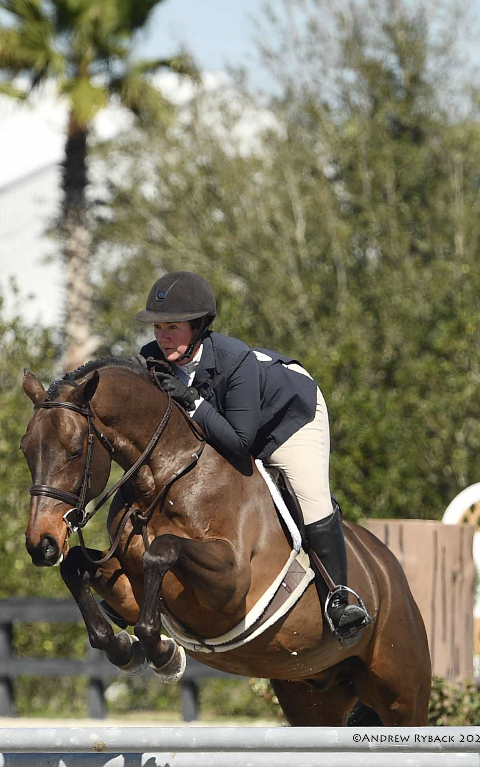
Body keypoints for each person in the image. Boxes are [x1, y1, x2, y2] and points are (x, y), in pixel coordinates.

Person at [135, 270, 370, 641]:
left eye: (172, 328)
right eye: (158, 328)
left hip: (289, 418)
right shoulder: (153, 359)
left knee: (311, 500)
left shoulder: (236, 360)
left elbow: (241, 442)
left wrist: (190, 401)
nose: (162, 338)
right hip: (232, 425)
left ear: (198, 326)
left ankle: (340, 601)